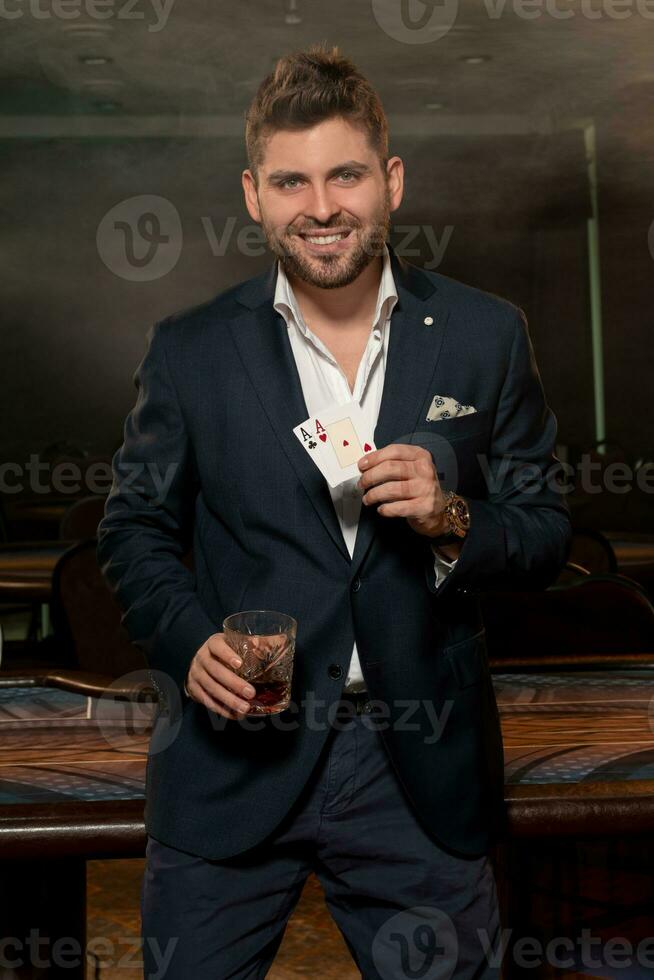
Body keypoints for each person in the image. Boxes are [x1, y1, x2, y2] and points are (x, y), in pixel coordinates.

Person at [97, 44, 571, 980]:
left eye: (345, 174)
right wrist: (188, 640)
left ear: (390, 180)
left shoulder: (486, 334)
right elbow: (133, 530)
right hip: (232, 762)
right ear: (252, 194)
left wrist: (454, 522)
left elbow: (546, 530)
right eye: (290, 181)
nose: (320, 207)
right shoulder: (189, 350)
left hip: (416, 772)